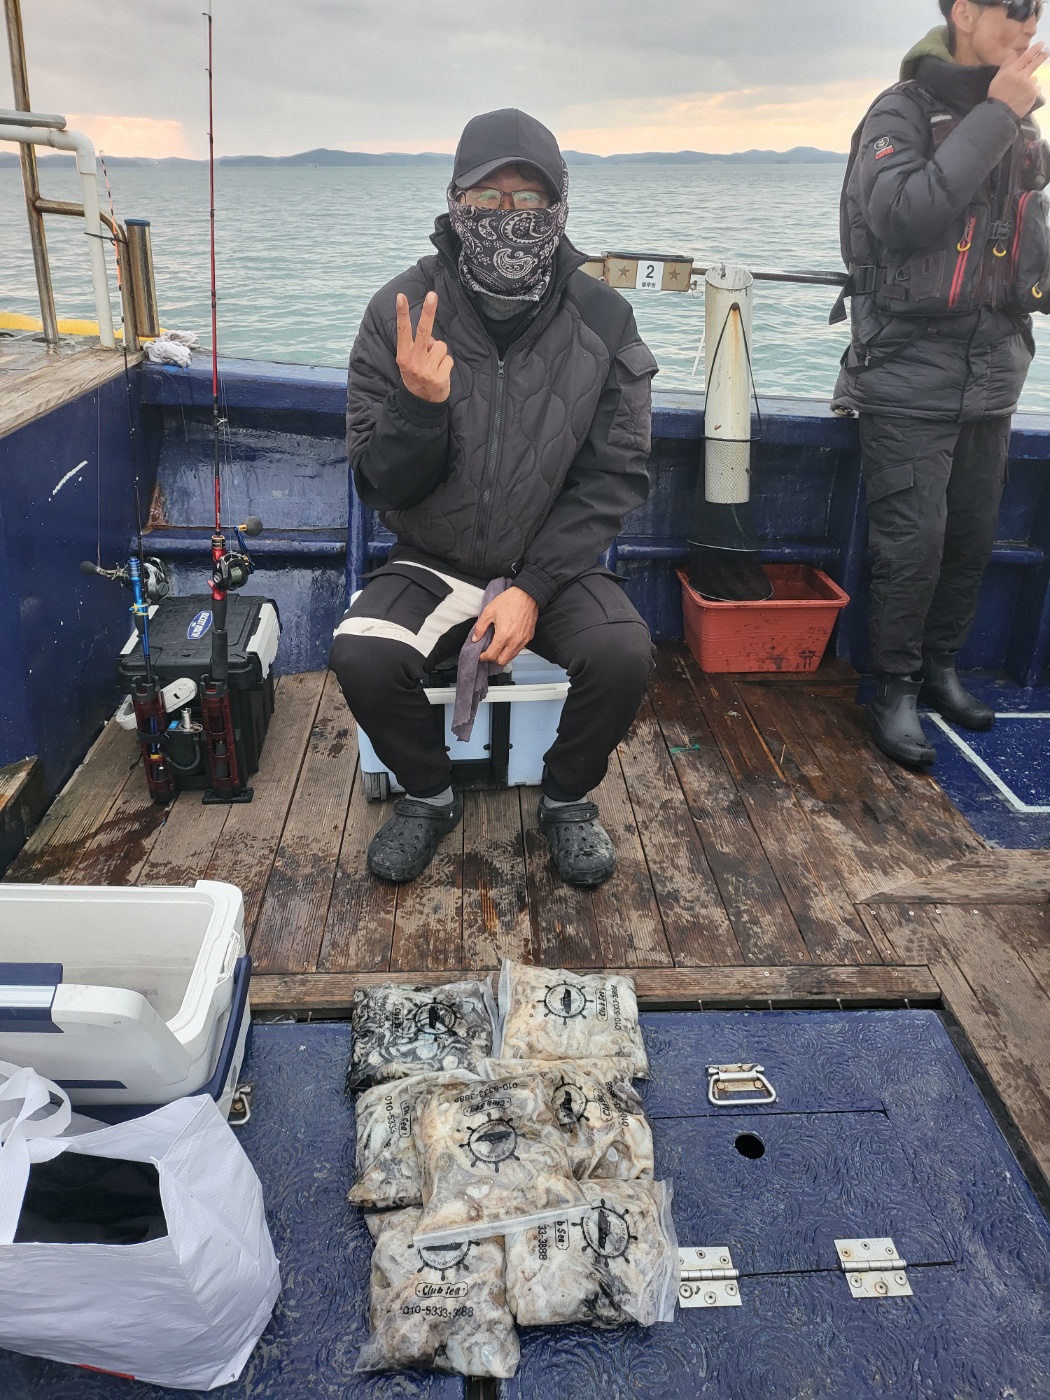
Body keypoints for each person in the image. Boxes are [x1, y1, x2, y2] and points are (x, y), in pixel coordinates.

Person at [330, 108, 657, 886]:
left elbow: (614, 474)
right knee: (362, 655)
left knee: (624, 655)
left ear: (559, 204)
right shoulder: (403, 310)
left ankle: (566, 799)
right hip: (435, 556)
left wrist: (534, 587)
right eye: (487, 198)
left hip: (554, 562)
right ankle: (430, 793)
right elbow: (379, 482)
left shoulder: (605, 317)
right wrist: (417, 407)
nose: (509, 217)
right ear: (455, 202)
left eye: (528, 198)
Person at [832, 0, 1050, 767]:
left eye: (1039, 9)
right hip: (905, 370)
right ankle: (893, 687)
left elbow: (1022, 239)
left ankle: (940, 669)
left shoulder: (1018, 124)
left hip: (993, 372)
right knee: (912, 544)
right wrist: (998, 114)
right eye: (1016, 7)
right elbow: (902, 215)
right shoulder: (902, 110)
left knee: (970, 536)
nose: (1031, 23)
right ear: (963, 11)